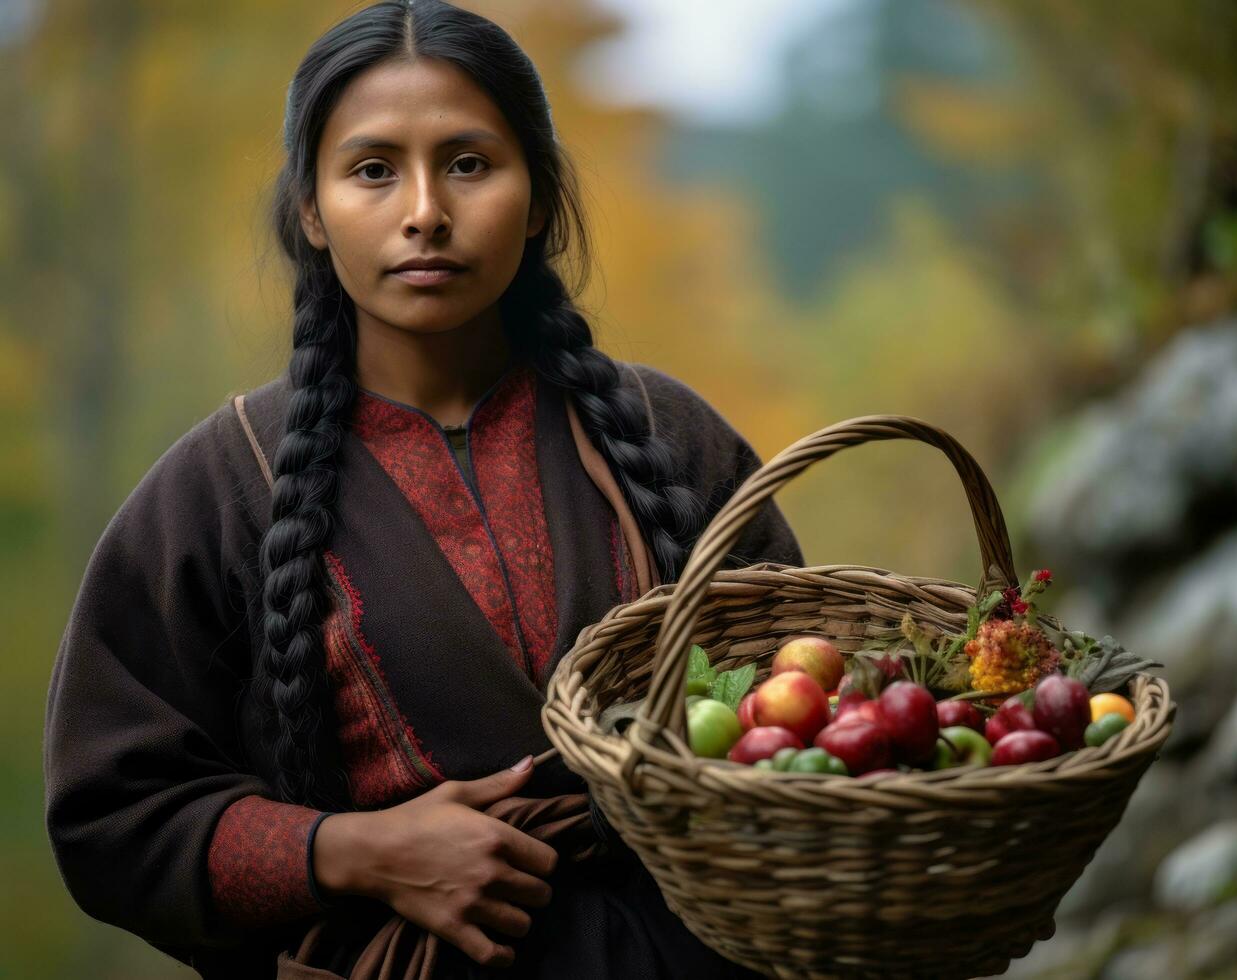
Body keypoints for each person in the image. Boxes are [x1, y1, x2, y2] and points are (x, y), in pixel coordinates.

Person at [43, 2, 804, 977]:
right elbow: (112, 817)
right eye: (372, 169)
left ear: (536, 199)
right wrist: (354, 851)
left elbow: (808, 715)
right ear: (311, 210)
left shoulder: (671, 438)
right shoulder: (223, 484)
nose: (423, 213)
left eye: (467, 162)